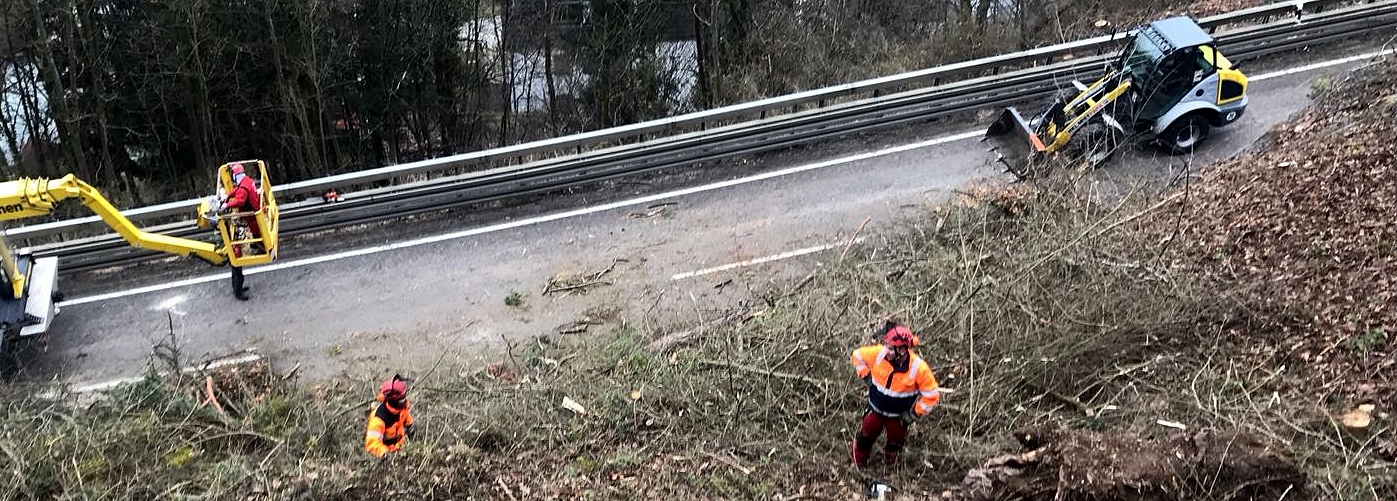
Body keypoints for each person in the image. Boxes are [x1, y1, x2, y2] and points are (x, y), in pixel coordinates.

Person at [849, 319, 941, 467]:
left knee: (895, 444)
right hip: (874, 410)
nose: (887, 351)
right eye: (887, 346)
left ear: (902, 350)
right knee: (864, 439)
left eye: (891, 349)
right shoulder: (878, 354)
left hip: (897, 417)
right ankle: (858, 465)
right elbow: (857, 355)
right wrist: (866, 376)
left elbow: (932, 395)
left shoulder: (918, 368)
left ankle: (890, 468)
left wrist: (914, 413)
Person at [219, 162, 262, 300]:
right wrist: (228, 196)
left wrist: (226, 203)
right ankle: (237, 291)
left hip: (252, 216)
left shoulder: (243, 187)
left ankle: (238, 289)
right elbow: (238, 192)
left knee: (255, 235)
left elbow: (240, 199)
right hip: (252, 215)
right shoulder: (247, 181)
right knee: (236, 263)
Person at [365, 374, 415, 460]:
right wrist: (386, 454)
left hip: (401, 447)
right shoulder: (378, 419)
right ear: (393, 400)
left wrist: (410, 427)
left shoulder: (401, 408)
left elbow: (406, 417)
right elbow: (372, 443)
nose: (404, 401)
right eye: (402, 399)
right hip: (387, 454)